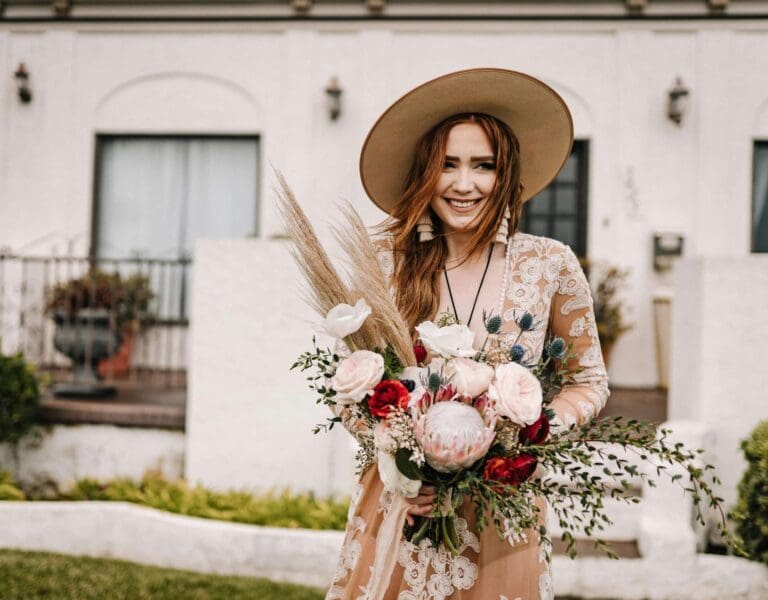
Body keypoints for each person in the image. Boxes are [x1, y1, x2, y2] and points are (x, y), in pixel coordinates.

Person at [327, 68, 609, 600]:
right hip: (403, 506)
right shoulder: (385, 261)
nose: (463, 184)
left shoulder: (549, 263)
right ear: (424, 174)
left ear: (506, 176)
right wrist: (398, 466)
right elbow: (352, 386)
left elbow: (588, 381)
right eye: (447, 166)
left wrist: (530, 431)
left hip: (504, 509)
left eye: (483, 166)